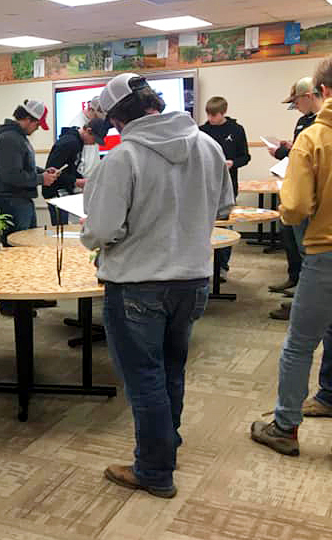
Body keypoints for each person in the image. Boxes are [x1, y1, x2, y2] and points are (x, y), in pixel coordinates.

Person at [82, 73, 233, 498]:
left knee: (143, 378)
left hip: (136, 284)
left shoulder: (123, 158)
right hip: (194, 278)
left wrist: (99, 232)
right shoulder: (208, 145)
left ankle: (153, 470)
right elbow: (223, 206)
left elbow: (101, 231)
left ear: (116, 118)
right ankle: (167, 445)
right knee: (171, 369)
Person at [251, 57, 332, 456]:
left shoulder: (314, 138)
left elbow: (297, 208)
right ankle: (330, 395)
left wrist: (291, 202)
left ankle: (284, 427)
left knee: (300, 344)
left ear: (323, 91)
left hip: (325, 253)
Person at [266, 77, 322, 320]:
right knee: (299, 249)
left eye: (297, 101)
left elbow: (308, 159)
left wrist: (282, 152)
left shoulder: (321, 124)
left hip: (309, 198)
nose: (296, 106)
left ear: (309, 95)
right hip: (299, 190)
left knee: (309, 253)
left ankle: (304, 304)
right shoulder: (305, 122)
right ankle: (301, 293)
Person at [199, 96, 251, 281]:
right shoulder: (201, 131)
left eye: (215, 115)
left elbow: (245, 157)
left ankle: (222, 266)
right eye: (209, 115)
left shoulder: (236, 130)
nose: (211, 118)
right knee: (202, 226)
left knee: (224, 227)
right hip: (204, 187)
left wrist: (232, 163)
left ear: (224, 112)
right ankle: (203, 265)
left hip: (228, 185)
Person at [0, 100, 59, 235]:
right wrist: (41, 178)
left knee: (27, 242)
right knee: (18, 246)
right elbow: (11, 175)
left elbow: (22, 166)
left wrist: (43, 172)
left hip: (20, 201)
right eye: (37, 124)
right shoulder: (10, 139)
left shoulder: (17, 137)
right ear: (28, 119)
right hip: (13, 203)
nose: (37, 128)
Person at [44, 118, 110, 225]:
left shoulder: (77, 142)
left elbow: (69, 168)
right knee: (62, 231)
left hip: (62, 192)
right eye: (94, 139)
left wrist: (81, 180)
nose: (93, 143)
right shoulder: (70, 143)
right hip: (56, 194)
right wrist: (76, 181)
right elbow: (51, 172)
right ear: (88, 131)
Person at [68, 97, 106, 177]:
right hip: (83, 182)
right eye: (97, 116)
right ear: (90, 109)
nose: (98, 120)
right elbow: (82, 163)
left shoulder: (90, 123)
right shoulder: (77, 127)